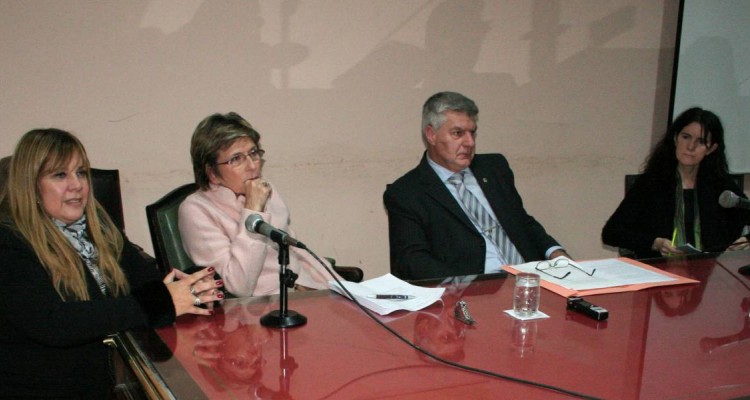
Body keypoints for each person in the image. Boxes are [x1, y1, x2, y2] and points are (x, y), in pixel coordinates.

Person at [0, 128, 224, 398]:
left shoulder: (98, 225)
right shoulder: (9, 241)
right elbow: (55, 323)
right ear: (31, 185)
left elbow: (145, 281)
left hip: (107, 382)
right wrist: (160, 301)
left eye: (81, 172)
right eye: (60, 175)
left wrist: (189, 288)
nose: (77, 185)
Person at [383, 91, 568, 280]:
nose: (470, 142)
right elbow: (414, 261)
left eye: (472, 132)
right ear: (431, 134)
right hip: (474, 289)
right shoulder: (406, 193)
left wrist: (556, 255)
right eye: (458, 133)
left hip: (532, 279)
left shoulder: (494, 168)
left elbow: (522, 221)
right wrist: (469, 288)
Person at [179, 112, 337, 297]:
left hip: (300, 293)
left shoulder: (265, 188)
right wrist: (253, 211)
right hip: (253, 312)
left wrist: (339, 287)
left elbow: (293, 250)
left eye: (253, 153)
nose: (253, 165)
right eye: (236, 158)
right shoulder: (196, 211)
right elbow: (238, 286)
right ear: (212, 173)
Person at [602, 107, 750, 259]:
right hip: (661, 271)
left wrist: (746, 241)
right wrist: (655, 243)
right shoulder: (651, 183)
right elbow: (611, 233)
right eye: (686, 137)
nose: (690, 147)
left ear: (711, 149)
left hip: (713, 272)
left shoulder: (720, 186)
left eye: (700, 141)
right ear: (675, 138)